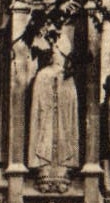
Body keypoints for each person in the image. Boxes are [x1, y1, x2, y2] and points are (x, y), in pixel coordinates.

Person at [27, 44, 79, 173]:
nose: (59, 58)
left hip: (62, 119)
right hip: (47, 118)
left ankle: (64, 163)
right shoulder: (42, 74)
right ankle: (43, 162)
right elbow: (37, 101)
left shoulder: (66, 76)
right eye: (56, 54)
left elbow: (72, 103)